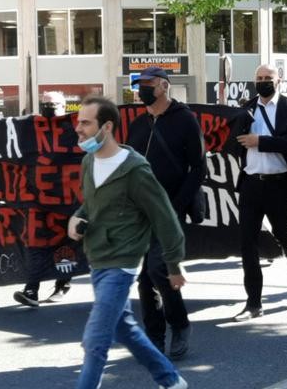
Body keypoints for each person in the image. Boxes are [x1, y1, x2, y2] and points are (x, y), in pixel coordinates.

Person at [68, 96, 188, 389]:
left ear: (106, 127)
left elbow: (165, 218)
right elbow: (91, 205)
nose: (78, 128)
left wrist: (173, 265)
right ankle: (170, 380)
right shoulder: (88, 162)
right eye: (78, 122)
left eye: (85, 122)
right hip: (97, 258)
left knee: (95, 341)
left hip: (122, 263)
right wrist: (76, 218)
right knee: (125, 329)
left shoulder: (135, 169)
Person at [127, 66, 204, 359]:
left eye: (146, 84)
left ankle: (180, 324)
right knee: (146, 278)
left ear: (163, 86)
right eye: (139, 85)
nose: (141, 89)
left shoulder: (185, 120)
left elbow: (198, 169)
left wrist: (176, 205)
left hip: (170, 209)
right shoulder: (138, 124)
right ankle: (155, 338)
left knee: (159, 268)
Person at [233, 63, 287, 321]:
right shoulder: (246, 108)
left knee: (285, 237)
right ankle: (253, 302)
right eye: (259, 78)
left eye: (268, 78)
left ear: (279, 81)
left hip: (279, 184)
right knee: (247, 244)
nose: (263, 81)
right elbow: (233, 142)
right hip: (251, 184)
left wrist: (260, 142)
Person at [13, 91, 71, 307]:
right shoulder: (33, 129)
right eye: (45, 104)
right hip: (38, 198)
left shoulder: (74, 128)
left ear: (64, 106)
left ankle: (62, 284)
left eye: (54, 104)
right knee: (35, 242)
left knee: (66, 244)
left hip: (67, 199)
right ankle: (32, 288)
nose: (49, 107)